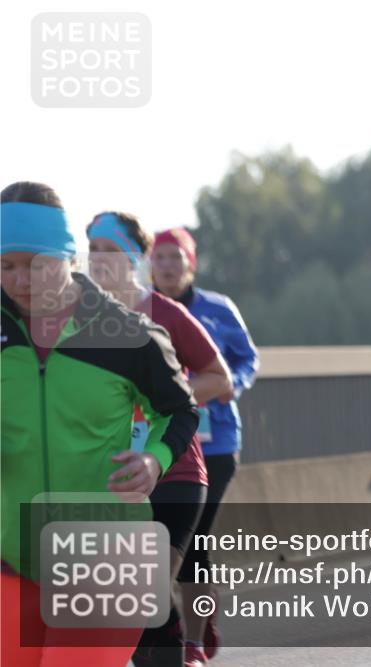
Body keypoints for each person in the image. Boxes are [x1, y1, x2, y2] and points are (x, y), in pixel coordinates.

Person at [1, 182, 199, 667]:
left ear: (66, 257)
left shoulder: (126, 332)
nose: (20, 280)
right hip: (11, 563)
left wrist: (156, 459)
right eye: (6, 265)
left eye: (37, 264)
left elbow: (179, 411)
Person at [86, 211, 235, 667]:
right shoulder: (73, 315)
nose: (99, 259)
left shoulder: (163, 312)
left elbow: (220, 378)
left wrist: (161, 400)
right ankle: (175, 645)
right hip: (112, 474)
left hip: (175, 468)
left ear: (136, 257)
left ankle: (184, 644)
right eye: (92, 248)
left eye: (111, 250)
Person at [151, 227, 259, 663]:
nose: (168, 266)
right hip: (157, 444)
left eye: (176, 257)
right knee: (164, 542)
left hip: (215, 445)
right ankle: (186, 621)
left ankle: (191, 640)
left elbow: (247, 358)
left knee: (190, 539)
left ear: (190, 262)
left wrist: (232, 383)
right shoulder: (134, 310)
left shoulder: (217, 309)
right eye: (159, 258)